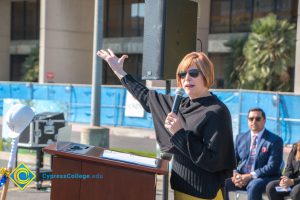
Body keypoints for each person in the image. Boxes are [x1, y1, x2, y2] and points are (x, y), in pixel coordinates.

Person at [97, 49, 236, 200]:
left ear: (206, 75)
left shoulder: (217, 111)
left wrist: (179, 134)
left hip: (204, 195)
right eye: (182, 74)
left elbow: (212, 160)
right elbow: (145, 96)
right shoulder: (180, 104)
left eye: (193, 73)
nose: (187, 78)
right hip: (180, 189)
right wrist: (118, 70)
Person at [224, 108, 283, 200]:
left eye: (258, 119)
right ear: (248, 120)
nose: (254, 121)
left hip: (265, 177)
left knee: (253, 185)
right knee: (223, 182)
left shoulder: (275, 140)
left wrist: (250, 176)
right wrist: (235, 175)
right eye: (251, 119)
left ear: (264, 120)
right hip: (242, 176)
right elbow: (233, 160)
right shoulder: (240, 137)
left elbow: (273, 166)